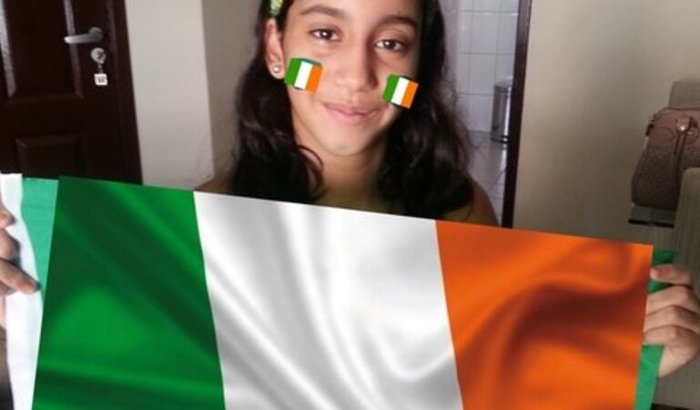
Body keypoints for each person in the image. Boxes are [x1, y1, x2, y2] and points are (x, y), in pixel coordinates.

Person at [0, 0, 698, 396]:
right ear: (276, 48)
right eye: (326, 34)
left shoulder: (458, 209)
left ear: (419, 66)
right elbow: (130, 374)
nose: (357, 75)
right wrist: (26, 285)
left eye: (391, 42)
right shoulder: (200, 228)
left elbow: (496, 377)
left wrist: (628, 357)